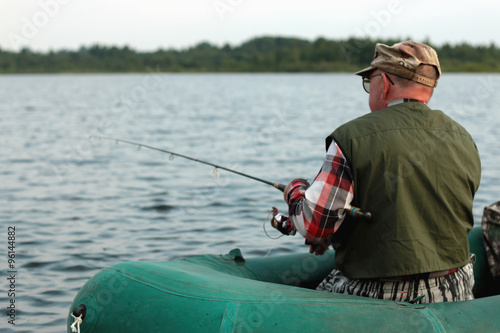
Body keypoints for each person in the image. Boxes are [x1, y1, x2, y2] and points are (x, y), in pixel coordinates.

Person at [280, 41, 481, 303]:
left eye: (369, 81)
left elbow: (313, 225)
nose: (369, 89)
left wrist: (295, 192)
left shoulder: (351, 137)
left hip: (380, 293)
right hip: (456, 288)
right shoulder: (464, 138)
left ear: (384, 83)